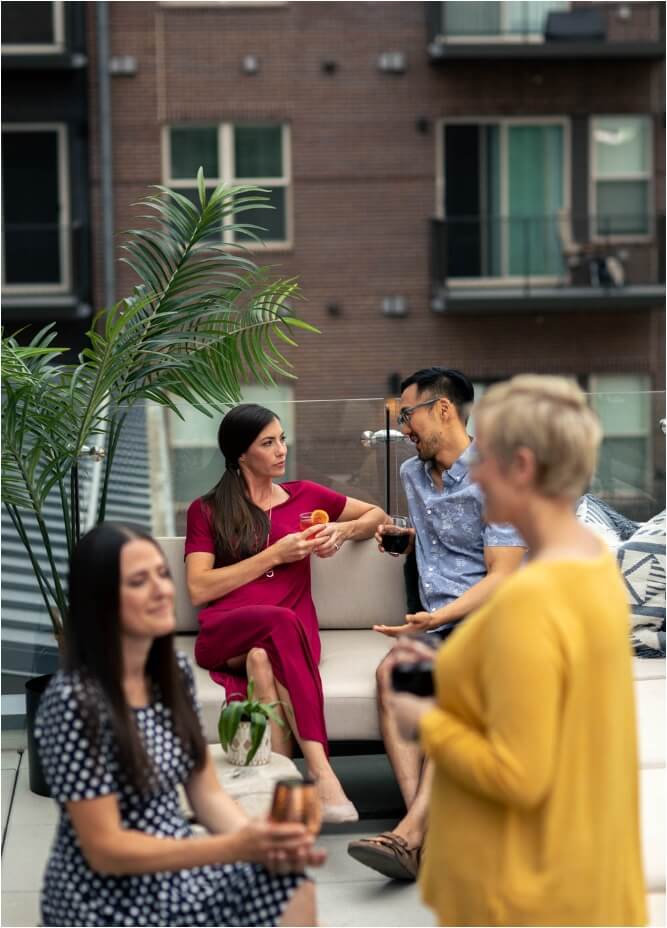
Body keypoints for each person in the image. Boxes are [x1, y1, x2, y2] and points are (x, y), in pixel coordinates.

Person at [388, 375, 646, 926]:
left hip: (531, 898)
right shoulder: (594, 569)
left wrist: (426, 717)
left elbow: (517, 775)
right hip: (588, 880)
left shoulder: (530, 603)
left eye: (488, 461)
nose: (474, 474)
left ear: (522, 467)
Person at [36, 522, 325, 928]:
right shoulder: (75, 702)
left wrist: (262, 843)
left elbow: (205, 792)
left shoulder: (171, 674)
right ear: (100, 602)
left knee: (292, 885)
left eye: (161, 574)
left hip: (175, 876)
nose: (161, 590)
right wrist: (232, 847)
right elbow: (105, 849)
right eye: (139, 581)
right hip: (103, 903)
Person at [348, 368, 525, 879]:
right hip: (439, 622)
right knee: (391, 675)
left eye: (407, 415)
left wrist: (436, 619)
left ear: (443, 409)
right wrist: (404, 539)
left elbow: (504, 575)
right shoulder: (412, 475)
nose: (402, 427)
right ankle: (420, 836)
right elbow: (440, 543)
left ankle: (411, 836)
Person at [185, 403, 386, 823]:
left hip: (290, 632)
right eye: (268, 442)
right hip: (227, 632)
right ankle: (322, 773)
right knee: (276, 624)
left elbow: (376, 515)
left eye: (282, 439)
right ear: (242, 454)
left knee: (264, 655)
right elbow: (199, 586)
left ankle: (272, 798)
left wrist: (341, 530)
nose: (281, 450)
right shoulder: (206, 510)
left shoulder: (308, 496)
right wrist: (273, 554)